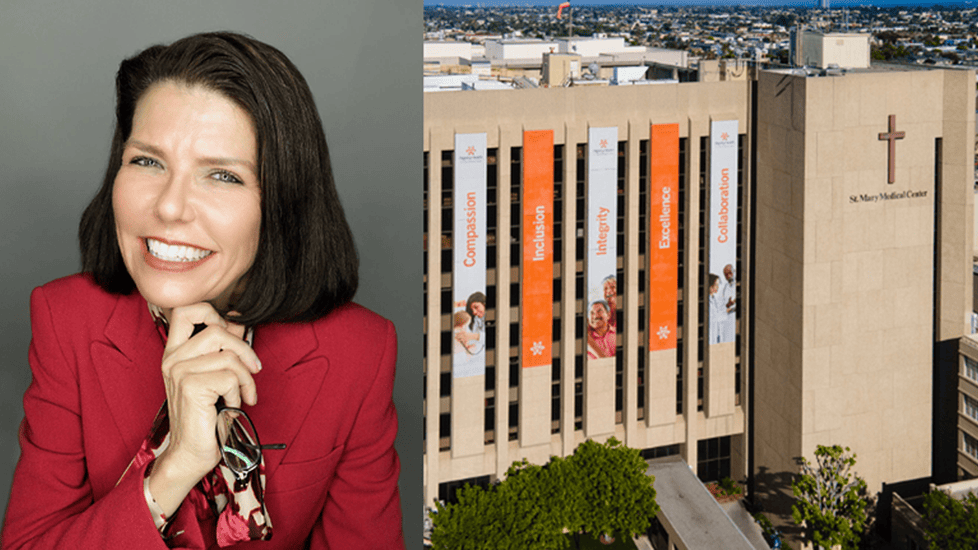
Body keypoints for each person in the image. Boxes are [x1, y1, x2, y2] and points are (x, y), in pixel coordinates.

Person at [1, 32, 404, 549]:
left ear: (283, 201)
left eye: (222, 175)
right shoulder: (66, 320)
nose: (169, 208)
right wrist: (174, 468)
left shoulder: (360, 352)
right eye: (147, 161)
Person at [708, 273, 724, 345]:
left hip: (716, 337)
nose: (717, 287)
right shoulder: (706, 301)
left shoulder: (714, 300)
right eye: (716, 285)